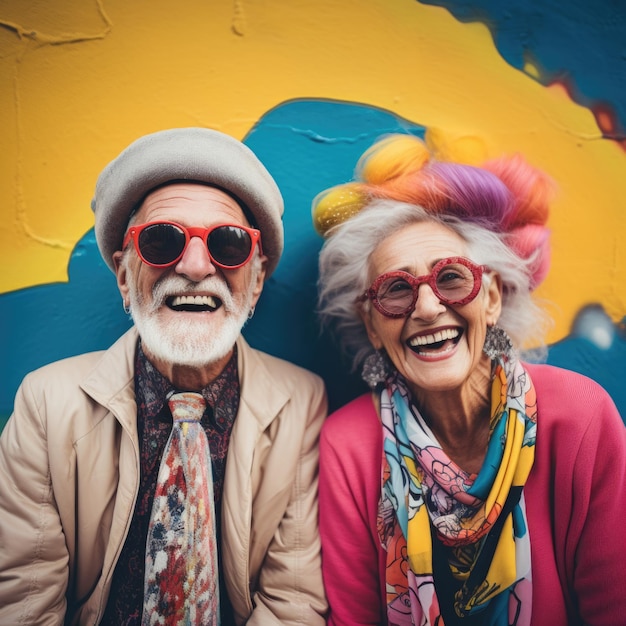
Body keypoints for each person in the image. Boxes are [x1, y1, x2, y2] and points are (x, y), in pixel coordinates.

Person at [0, 127, 328, 625]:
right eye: (161, 240)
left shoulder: (303, 402)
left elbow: (293, 602)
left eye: (229, 243)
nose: (196, 266)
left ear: (256, 279)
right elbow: (23, 602)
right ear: (124, 276)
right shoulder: (45, 403)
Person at [312, 134, 626, 626]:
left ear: (493, 299)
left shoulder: (581, 416)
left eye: (452, 278)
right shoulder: (348, 444)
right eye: (396, 290)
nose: (428, 307)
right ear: (373, 325)